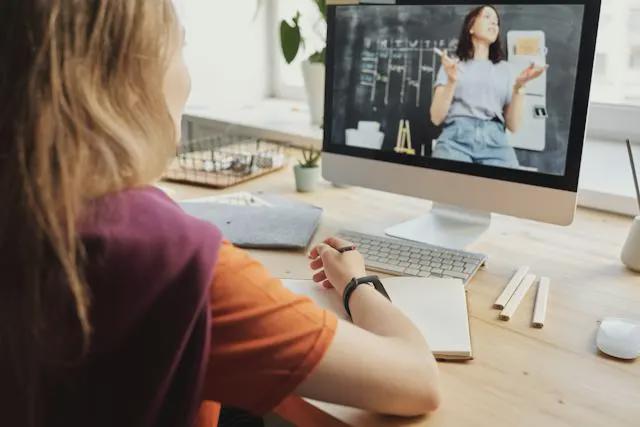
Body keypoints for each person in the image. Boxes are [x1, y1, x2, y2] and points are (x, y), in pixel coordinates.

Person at [0, 1, 440, 426]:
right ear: (129, 76)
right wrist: (356, 281)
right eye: (180, 50)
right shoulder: (172, 260)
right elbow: (416, 380)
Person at [430, 4, 547, 167]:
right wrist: (451, 80)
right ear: (471, 26)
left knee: (510, 189)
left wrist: (520, 86)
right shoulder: (452, 65)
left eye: (496, 21)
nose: (493, 23)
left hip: (496, 143)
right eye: (487, 17)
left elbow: (513, 126)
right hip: (455, 139)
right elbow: (436, 117)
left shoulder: (506, 69)